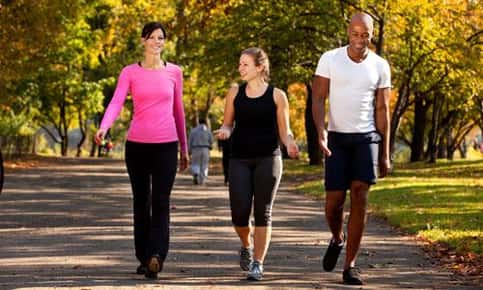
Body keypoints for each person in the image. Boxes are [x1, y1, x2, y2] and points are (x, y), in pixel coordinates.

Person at [94, 21, 188, 280]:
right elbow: (116, 102)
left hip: (166, 146)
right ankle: (144, 256)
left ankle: (157, 255)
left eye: (162, 38)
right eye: (153, 37)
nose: (158, 42)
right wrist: (104, 127)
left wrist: (184, 147)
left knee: (160, 202)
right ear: (143, 40)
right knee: (141, 201)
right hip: (136, 146)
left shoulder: (174, 73)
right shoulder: (129, 72)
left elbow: (178, 111)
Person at [312, 13, 391, 285]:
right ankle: (337, 237)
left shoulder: (381, 66)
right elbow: (318, 98)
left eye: (365, 35)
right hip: (336, 137)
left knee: (360, 194)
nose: (359, 40)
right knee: (334, 203)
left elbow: (382, 110)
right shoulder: (330, 59)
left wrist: (385, 153)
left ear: (371, 35)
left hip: (366, 138)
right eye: (355, 34)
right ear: (348, 32)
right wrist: (321, 132)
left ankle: (351, 265)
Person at [215, 47, 299, 281]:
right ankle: (246, 243)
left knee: (263, 212)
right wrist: (224, 130)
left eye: (245, 64)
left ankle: (258, 263)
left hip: (268, 159)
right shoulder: (234, 92)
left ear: (260, 67)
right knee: (239, 213)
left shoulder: (277, 95)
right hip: (239, 158)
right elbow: (228, 124)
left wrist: (290, 144)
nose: (240, 68)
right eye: (240, 64)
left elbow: (285, 131)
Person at [188, 118, 213, 185]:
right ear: (205, 123)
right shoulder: (208, 131)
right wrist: (210, 147)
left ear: (198, 122)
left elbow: (190, 141)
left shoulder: (193, 130)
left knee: (195, 163)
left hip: (195, 148)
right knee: (204, 165)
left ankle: (196, 173)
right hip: (205, 148)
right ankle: (202, 180)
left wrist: (189, 150)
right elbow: (211, 141)